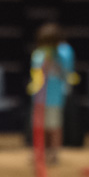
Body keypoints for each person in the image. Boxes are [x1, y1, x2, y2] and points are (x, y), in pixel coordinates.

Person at [28, 23, 76, 165]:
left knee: (54, 127)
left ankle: (54, 153)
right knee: (39, 127)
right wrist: (43, 67)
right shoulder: (37, 55)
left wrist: (55, 64)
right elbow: (35, 75)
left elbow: (67, 75)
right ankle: (40, 152)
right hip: (39, 98)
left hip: (55, 98)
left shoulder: (63, 55)